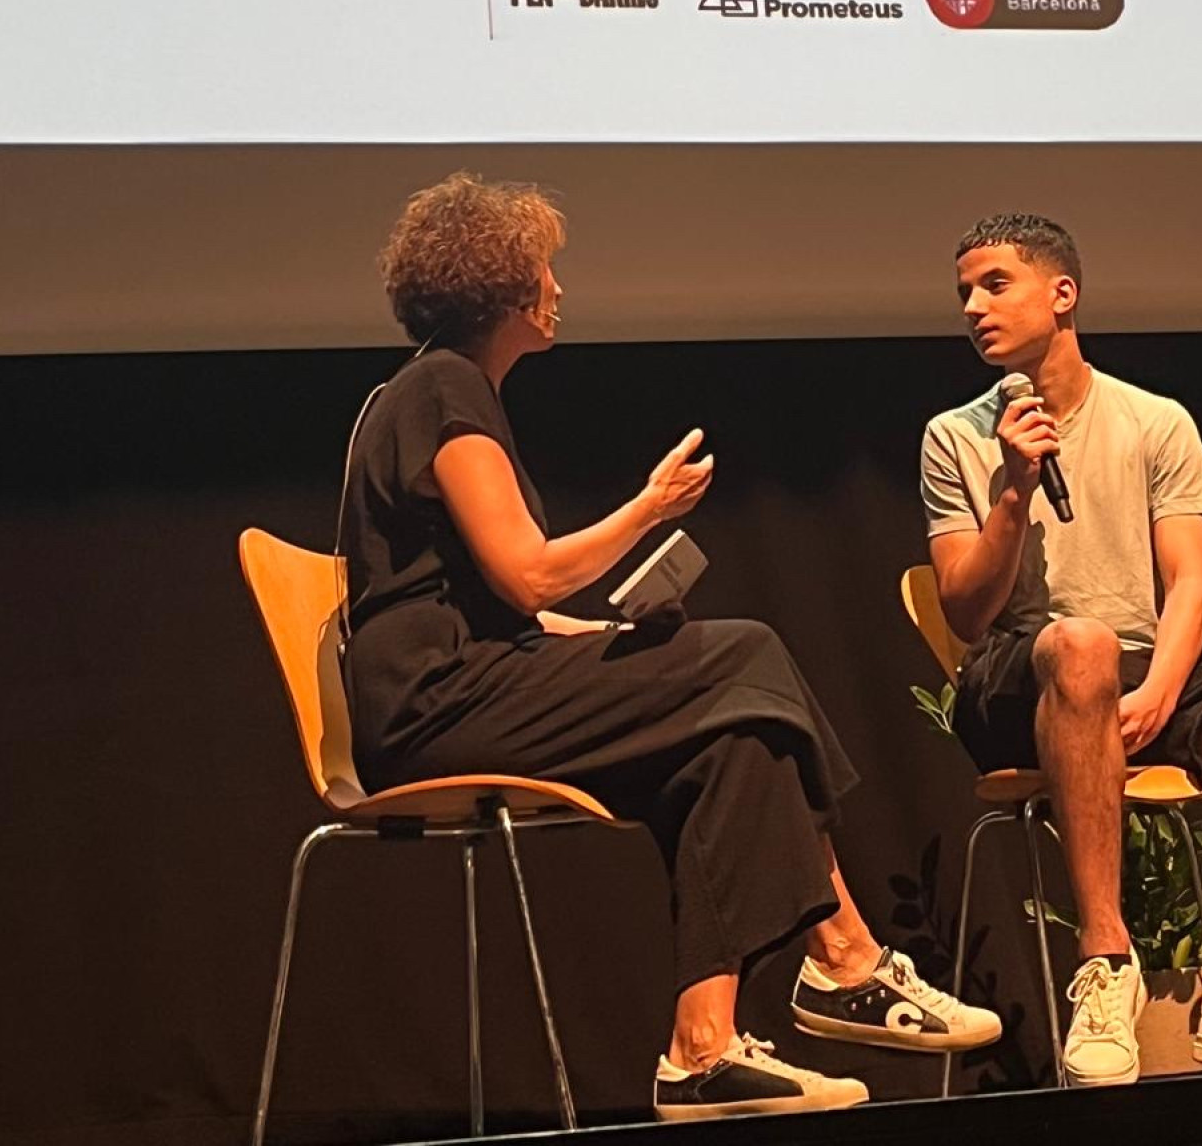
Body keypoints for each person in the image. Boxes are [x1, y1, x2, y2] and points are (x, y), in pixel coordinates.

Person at [343, 173, 1001, 1120]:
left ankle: (702, 1049)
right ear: (503, 284)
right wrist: (648, 509)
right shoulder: (444, 388)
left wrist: (614, 633)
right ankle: (845, 957)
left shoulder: (439, 389)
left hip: (471, 677)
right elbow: (528, 578)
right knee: (744, 653)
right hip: (431, 703)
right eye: (546, 269)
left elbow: (502, 608)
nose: (558, 287)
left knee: (732, 744)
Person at [920, 213, 1202, 1088]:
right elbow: (966, 611)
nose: (973, 307)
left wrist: (1161, 688)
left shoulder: (1155, 420)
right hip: (1017, 676)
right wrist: (1013, 488)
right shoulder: (955, 435)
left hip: (1137, 672)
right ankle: (1105, 962)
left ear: (1063, 293)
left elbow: (1191, 583)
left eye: (994, 284)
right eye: (963, 291)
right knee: (1079, 643)